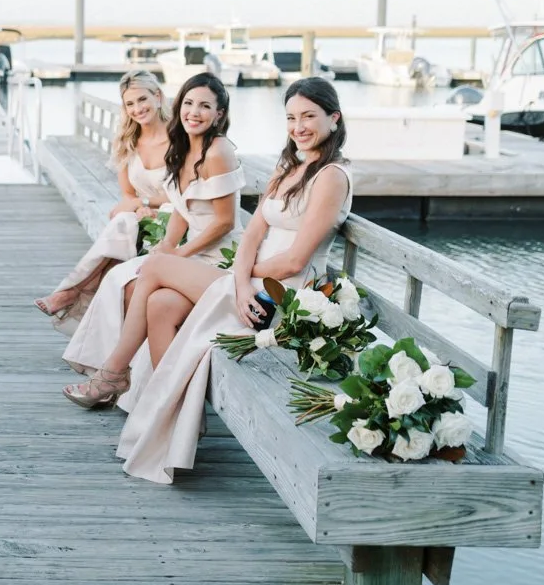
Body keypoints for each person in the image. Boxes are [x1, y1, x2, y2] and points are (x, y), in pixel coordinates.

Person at [113, 77, 355, 484]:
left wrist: (244, 280)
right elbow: (252, 236)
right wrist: (240, 280)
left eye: (309, 116)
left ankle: (112, 374)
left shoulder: (330, 176)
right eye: (292, 117)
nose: (299, 126)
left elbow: (295, 260)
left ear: (334, 119)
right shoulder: (290, 168)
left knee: (154, 268)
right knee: (159, 306)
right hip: (247, 286)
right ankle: (172, 427)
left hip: (283, 298)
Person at [61, 72, 243, 403]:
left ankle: (114, 374)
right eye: (188, 103)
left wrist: (178, 254)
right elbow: (179, 208)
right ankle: (159, 401)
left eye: (205, 106)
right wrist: (167, 245)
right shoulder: (185, 147)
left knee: (148, 271)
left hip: (221, 259)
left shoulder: (218, 152)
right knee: (138, 291)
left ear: (219, 114)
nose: (194, 112)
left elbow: (225, 223)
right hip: (190, 255)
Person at [32, 71, 170, 332]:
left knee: (122, 225)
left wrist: (142, 203)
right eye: (130, 104)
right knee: (125, 223)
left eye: (143, 99)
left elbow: (183, 192)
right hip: (141, 219)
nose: (138, 109)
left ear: (158, 96)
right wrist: (139, 207)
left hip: (174, 219)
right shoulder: (128, 142)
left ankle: (70, 291)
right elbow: (127, 194)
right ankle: (74, 297)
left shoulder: (179, 140)